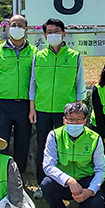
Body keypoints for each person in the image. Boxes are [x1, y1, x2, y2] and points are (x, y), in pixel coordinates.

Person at [28, 18, 86, 191]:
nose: (53, 34)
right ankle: (42, 183)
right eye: (50, 32)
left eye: (57, 31)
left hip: (66, 111)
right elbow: (33, 83)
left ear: (64, 33)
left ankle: (64, 183)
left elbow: (80, 85)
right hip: (43, 108)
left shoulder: (74, 56)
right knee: (43, 147)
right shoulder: (39, 56)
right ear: (45, 35)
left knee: (64, 147)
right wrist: (32, 107)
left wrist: (77, 113)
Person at [41, 102, 105, 208]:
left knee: (97, 204)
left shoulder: (95, 138)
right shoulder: (54, 135)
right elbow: (48, 165)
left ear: (85, 121)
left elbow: (101, 169)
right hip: (64, 182)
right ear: (64, 120)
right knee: (46, 185)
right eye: (70, 119)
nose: (74, 123)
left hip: (85, 180)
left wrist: (90, 190)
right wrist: (69, 180)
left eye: (78, 120)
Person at [0, 15, 37, 176]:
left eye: (20, 25)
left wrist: (32, 106)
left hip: (24, 104)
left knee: (22, 143)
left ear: (26, 29)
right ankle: (1, 176)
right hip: (3, 104)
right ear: (8, 27)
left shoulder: (34, 52)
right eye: (13, 24)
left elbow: (35, 80)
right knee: (1, 142)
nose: (16, 27)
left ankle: (18, 176)